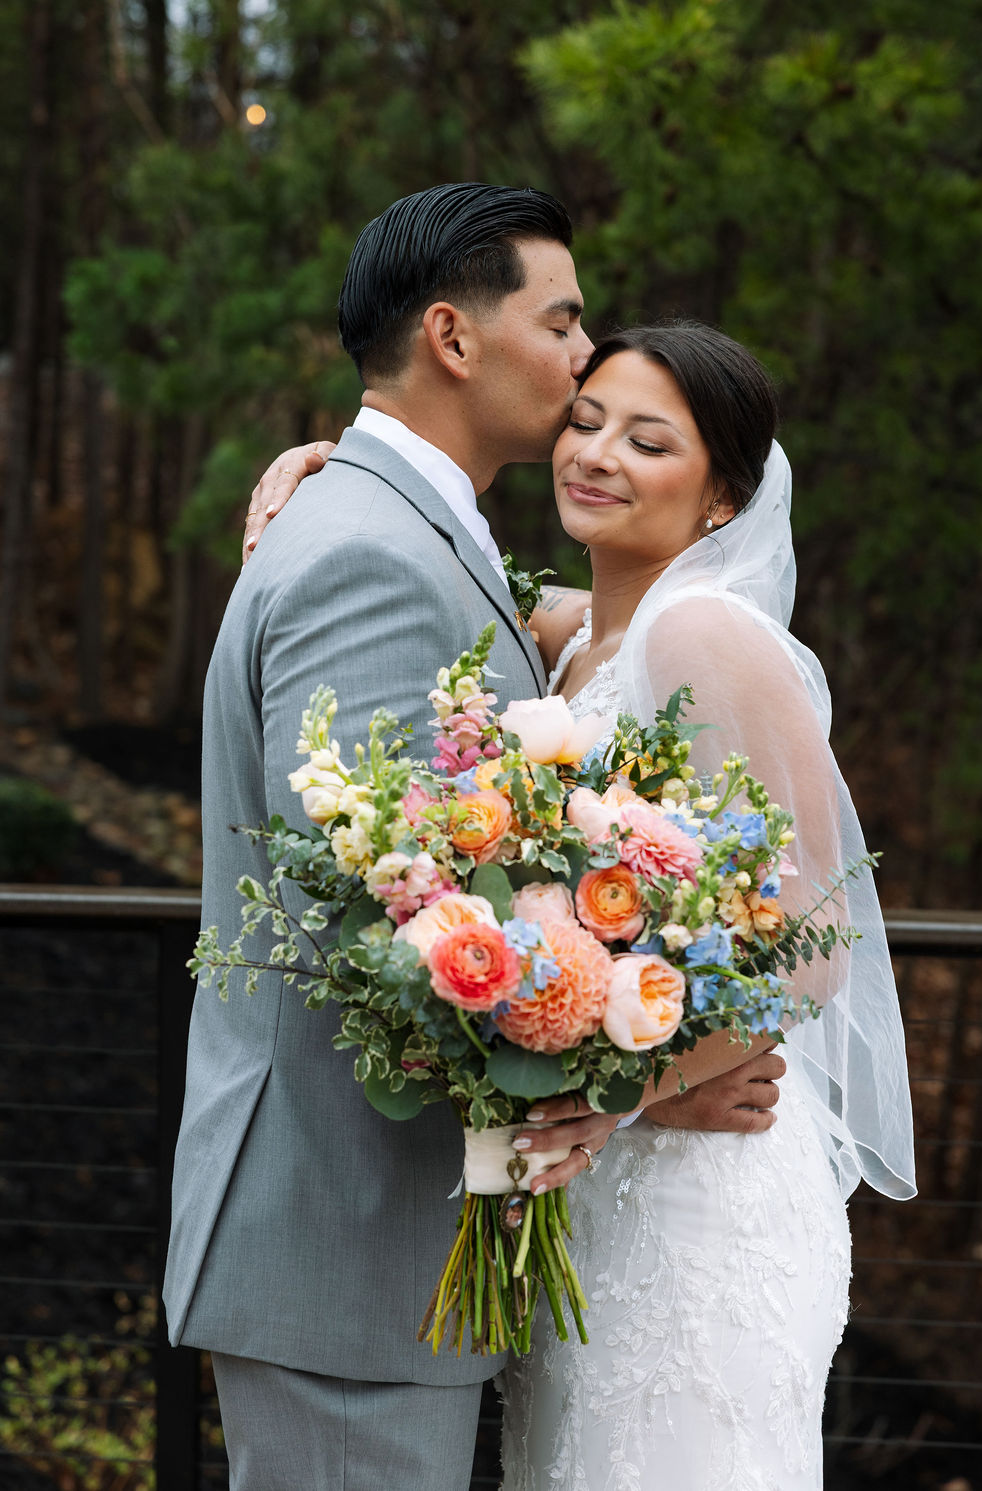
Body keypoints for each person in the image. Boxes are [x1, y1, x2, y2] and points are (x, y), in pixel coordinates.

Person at [164, 183, 789, 1491]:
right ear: (454, 336)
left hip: (379, 1249)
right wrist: (658, 1080)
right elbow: (383, 931)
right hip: (350, 1246)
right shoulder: (370, 553)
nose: (581, 361)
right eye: (563, 324)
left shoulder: (404, 533)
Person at [249, 320, 916, 1489]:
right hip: (586, 1188)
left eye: (647, 441)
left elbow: (813, 948)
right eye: (586, 420)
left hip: (699, 1201)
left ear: (723, 499)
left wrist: (630, 1097)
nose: (596, 453)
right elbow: (450, 559)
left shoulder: (709, 635)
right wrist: (328, 467)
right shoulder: (576, 638)